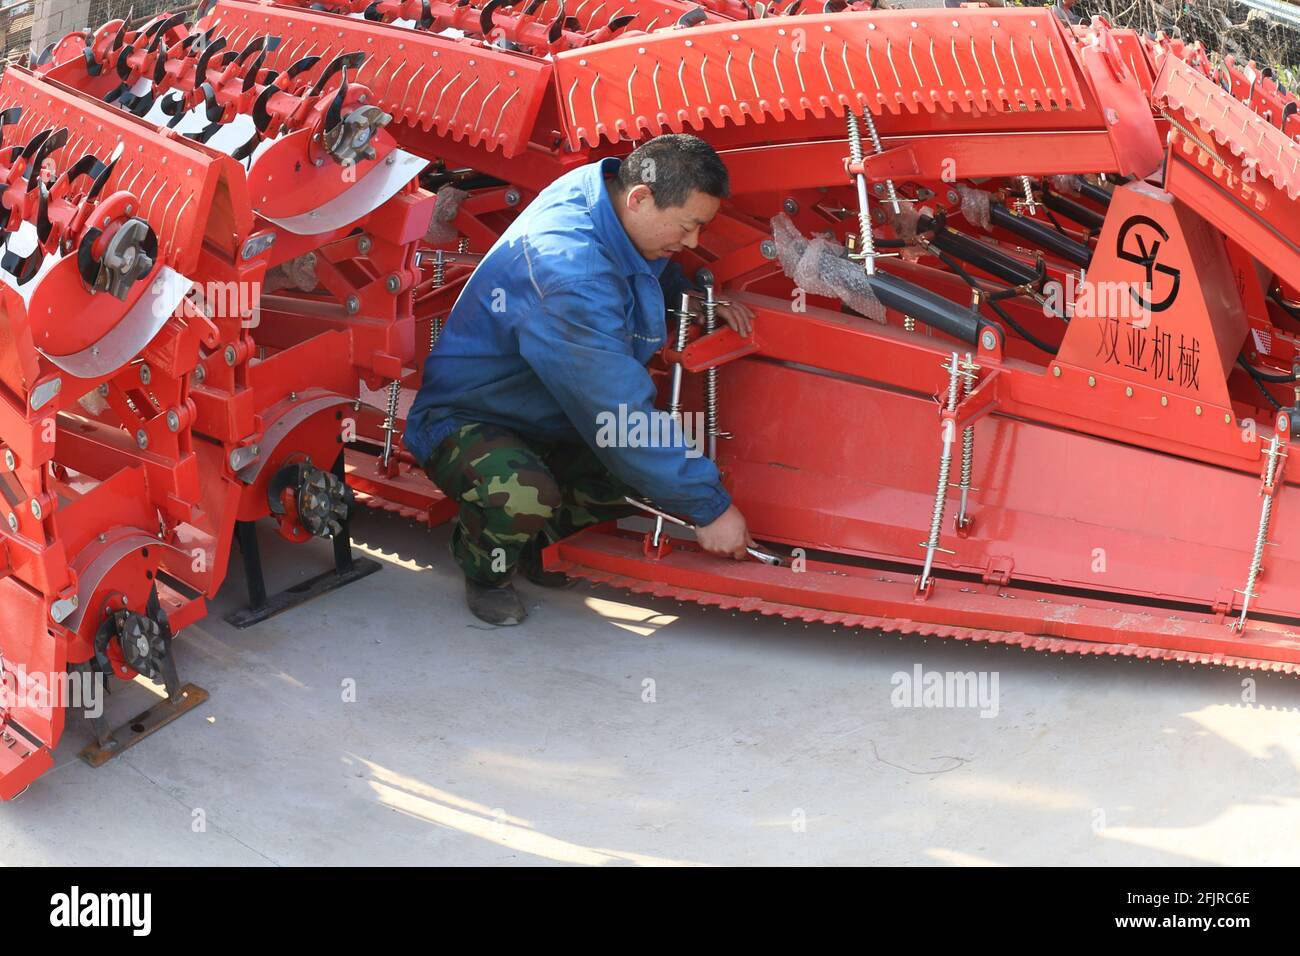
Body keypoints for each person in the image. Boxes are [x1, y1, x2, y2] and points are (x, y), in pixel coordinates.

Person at [403, 134, 756, 626]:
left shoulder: (602, 192)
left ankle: (537, 545)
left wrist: (682, 296)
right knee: (526, 492)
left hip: (550, 408)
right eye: (688, 227)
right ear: (641, 198)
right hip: (470, 418)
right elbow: (618, 415)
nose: (693, 243)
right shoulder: (569, 275)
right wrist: (710, 508)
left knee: (636, 470)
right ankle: (487, 568)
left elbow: (641, 264)